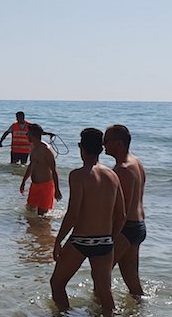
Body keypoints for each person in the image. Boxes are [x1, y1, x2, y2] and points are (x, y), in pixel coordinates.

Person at [50, 128, 126, 317]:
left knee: (57, 284)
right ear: (100, 149)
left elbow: (73, 214)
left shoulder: (78, 175)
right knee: (105, 293)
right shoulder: (112, 176)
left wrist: (58, 240)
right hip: (105, 242)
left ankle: (63, 314)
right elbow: (122, 215)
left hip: (81, 241)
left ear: (81, 148)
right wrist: (110, 239)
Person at [104, 124, 147, 299]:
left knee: (100, 275)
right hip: (138, 226)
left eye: (106, 141)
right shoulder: (136, 162)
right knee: (131, 279)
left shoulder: (122, 169)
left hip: (126, 228)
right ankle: (138, 309)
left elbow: (120, 210)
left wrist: (110, 236)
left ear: (119, 144)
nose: (103, 145)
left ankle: (102, 310)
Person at [19, 123, 62, 215]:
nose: (26, 135)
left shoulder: (46, 150)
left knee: (42, 215)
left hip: (45, 186)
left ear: (33, 135)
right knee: (29, 211)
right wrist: (23, 182)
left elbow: (54, 170)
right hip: (34, 186)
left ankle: (44, 228)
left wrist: (57, 190)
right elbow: (31, 165)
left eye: (28, 133)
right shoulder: (33, 147)